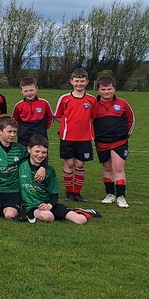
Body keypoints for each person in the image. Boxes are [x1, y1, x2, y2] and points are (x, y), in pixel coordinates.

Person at [20, 136, 98, 224]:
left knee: (81, 220)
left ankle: (80, 211)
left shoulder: (49, 171)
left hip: (49, 205)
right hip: (31, 206)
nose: (40, 155)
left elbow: (54, 194)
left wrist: (49, 205)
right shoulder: (21, 166)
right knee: (48, 216)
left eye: (44, 152)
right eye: (37, 151)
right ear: (29, 150)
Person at [55, 68, 97, 202]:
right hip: (67, 137)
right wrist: (66, 127)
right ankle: (69, 193)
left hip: (84, 138)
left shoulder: (92, 99)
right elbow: (58, 115)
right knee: (69, 163)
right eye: (77, 81)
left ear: (87, 82)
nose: (79, 83)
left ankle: (77, 193)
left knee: (79, 164)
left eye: (82, 81)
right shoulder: (65, 98)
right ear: (71, 81)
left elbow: (94, 117)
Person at [93, 76, 135, 208]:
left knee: (118, 168)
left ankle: (121, 196)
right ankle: (110, 194)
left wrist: (125, 135)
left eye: (109, 89)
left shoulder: (122, 103)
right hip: (101, 142)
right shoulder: (93, 104)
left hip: (119, 142)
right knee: (106, 168)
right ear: (98, 90)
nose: (106, 92)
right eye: (103, 89)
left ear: (114, 89)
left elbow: (131, 120)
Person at [0, 115, 27, 220]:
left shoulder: (20, 149)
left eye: (14, 132)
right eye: (9, 132)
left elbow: (36, 157)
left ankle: (14, 206)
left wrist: (42, 168)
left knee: (9, 215)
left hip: (13, 191)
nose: (12, 135)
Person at [11, 76, 53, 150]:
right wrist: (20, 131)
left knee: (40, 157)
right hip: (24, 138)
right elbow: (14, 121)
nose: (29, 93)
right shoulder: (19, 105)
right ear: (21, 91)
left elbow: (50, 117)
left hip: (41, 136)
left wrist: (43, 128)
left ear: (36, 89)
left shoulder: (44, 103)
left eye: (31, 90)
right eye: (26, 91)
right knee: (23, 158)